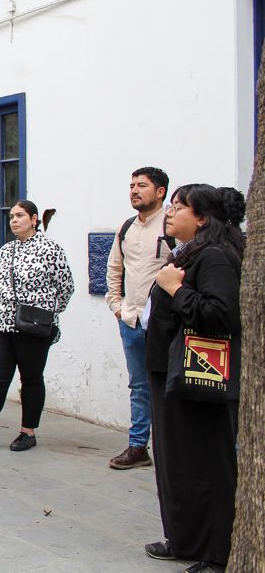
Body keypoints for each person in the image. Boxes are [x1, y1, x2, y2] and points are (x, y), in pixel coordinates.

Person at [142, 184, 244, 573]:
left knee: (205, 465)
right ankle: (185, 539)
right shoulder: (188, 251)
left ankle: (218, 552)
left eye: (178, 206)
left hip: (196, 375)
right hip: (169, 372)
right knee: (176, 463)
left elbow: (222, 315)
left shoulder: (215, 256)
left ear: (202, 217)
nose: (169, 212)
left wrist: (177, 289)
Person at [0, 200, 74, 453]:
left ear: (34, 219)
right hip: (1, 323)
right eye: (11, 216)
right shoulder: (6, 250)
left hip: (34, 326)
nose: (14, 220)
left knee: (31, 378)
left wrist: (46, 313)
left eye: (20, 215)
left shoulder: (50, 249)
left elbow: (66, 288)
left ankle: (27, 432)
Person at [105, 166, 174, 470]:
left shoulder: (172, 226)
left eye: (141, 185)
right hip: (131, 321)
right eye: (131, 185)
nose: (134, 190)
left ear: (160, 192)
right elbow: (114, 269)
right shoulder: (127, 227)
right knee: (139, 386)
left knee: (172, 384)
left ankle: (171, 448)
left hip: (166, 324)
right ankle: (137, 446)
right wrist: (117, 307)